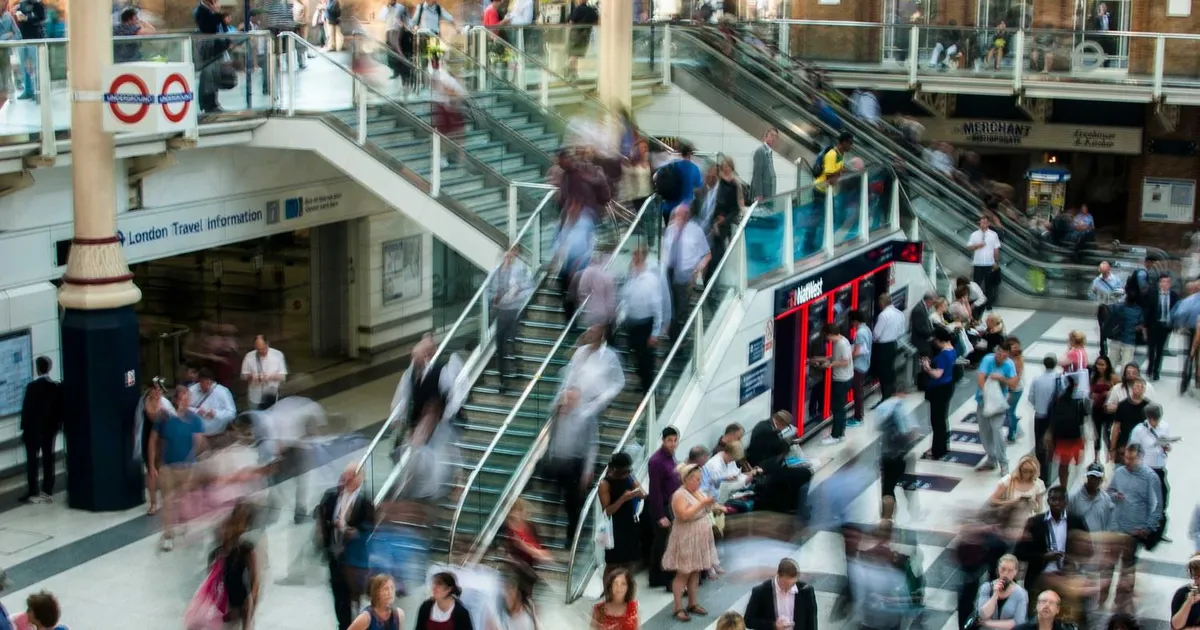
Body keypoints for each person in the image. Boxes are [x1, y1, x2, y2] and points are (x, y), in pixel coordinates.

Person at [318, 465, 378, 630]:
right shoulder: (331, 497)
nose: (347, 479)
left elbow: (370, 528)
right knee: (339, 594)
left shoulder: (365, 503)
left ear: (359, 479)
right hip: (335, 554)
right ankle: (343, 625)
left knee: (354, 595)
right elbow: (323, 518)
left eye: (352, 476)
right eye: (346, 475)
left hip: (353, 559)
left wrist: (355, 532)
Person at [1108, 443, 1163, 614]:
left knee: (1127, 565)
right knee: (1109, 563)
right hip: (1116, 527)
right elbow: (1109, 491)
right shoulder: (1119, 472)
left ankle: (1122, 600)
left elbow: (1157, 505)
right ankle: (1104, 595)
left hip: (1134, 531)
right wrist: (1114, 495)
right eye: (1126, 457)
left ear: (1140, 457)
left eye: (1131, 458)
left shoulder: (1150, 478)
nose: (1127, 461)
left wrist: (1148, 526)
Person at [151, 386, 207, 552]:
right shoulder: (164, 418)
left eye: (187, 397)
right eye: (182, 397)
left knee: (186, 499)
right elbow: (154, 440)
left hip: (187, 466)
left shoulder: (195, 420)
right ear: (176, 399)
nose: (185, 401)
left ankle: (185, 525)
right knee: (168, 501)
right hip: (168, 466)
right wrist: (153, 464)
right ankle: (168, 535)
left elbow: (199, 442)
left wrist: (194, 459)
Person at [662, 464, 718, 622]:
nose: (699, 483)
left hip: (699, 535)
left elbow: (705, 507)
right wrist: (702, 503)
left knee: (695, 570)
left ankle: (693, 603)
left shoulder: (697, 491)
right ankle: (678, 607)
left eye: (700, 479)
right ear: (686, 479)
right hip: (686, 536)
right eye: (696, 479)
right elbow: (683, 515)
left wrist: (715, 505)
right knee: (683, 572)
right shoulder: (679, 495)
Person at [545, 386, 599, 549]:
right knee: (552, 499)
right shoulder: (558, 414)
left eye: (573, 399)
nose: (569, 402)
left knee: (572, 504)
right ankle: (549, 536)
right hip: (557, 461)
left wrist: (588, 469)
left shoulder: (586, 416)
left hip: (576, 463)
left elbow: (592, 444)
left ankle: (571, 538)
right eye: (568, 398)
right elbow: (552, 436)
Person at [1015, 486, 1089, 599]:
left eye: (1060, 499)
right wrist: (1043, 557)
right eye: (1053, 499)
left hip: (1068, 577)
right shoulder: (1035, 522)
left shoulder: (1076, 522)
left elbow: (1088, 549)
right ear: (1048, 501)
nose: (1056, 503)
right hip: (1040, 576)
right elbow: (1019, 552)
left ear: (1066, 502)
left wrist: (1073, 561)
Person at [745, 410, 814, 514]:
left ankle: (795, 505)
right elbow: (778, 448)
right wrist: (788, 442)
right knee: (804, 474)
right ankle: (795, 506)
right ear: (781, 423)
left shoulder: (765, 425)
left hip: (768, 464)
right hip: (766, 468)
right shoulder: (768, 431)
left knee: (799, 473)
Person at [621, 245, 667, 394]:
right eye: (634, 255)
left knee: (646, 358)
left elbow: (657, 306)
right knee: (636, 354)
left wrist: (655, 332)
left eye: (636, 256)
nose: (634, 259)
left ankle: (648, 388)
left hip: (646, 323)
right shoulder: (632, 275)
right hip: (632, 322)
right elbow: (626, 296)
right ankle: (642, 381)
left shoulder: (650, 279)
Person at [662, 204, 711, 340]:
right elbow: (665, 250)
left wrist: (696, 272)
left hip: (686, 273)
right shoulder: (670, 230)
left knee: (681, 308)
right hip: (669, 271)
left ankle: (679, 337)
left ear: (687, 216)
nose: (678, 219)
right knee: (670, 305)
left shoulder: (696, 231)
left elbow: (707, 255)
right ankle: (674, 334)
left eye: (681, 216)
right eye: (676, 216)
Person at [490, 244, 533, 392]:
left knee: (514, 341)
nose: (509, 256)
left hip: (515, 310)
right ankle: (503, 380)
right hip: (502, 311)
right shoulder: (498, 271)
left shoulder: (520, 269)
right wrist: (494, 298)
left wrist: (517, 293)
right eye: (507, 254)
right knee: (500, 345)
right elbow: (491, 289)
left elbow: (529, 286)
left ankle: (518, 368)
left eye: (512, 254)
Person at [19, 356, 61, 504]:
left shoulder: (32, 387)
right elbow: (58, 410)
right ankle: (47, 489)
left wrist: (24, 428)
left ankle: (32, 490)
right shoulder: (55, 387)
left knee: (32, 461)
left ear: (37, 368)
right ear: (49, 368)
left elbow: (26, 410)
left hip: (33, 431)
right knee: (48, 458)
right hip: (49, 430)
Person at [212, 501, 260, 629]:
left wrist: (252, 599)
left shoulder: (246, 549)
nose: (225, 531)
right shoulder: (218, 553)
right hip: (227, 597)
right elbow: (212, 578)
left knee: (245, 622)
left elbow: (255, 578)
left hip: (242, 596)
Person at [976, 340, 1019, 476]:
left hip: (999, 403)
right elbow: (981, 377)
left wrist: (1001, 378)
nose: (1000, 357)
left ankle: (1003, 462)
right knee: (984, 431)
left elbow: (1013, 383)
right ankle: (991, 458)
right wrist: (986, 393)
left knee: (997, 431)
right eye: (998, 353)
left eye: (1003, 355)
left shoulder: (1009, 365)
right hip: (984, 400)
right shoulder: (988, 360)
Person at [598, 452, 644, 576]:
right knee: (612, 564)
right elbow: (607, 511)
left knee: (629, 561)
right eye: (624, 471)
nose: (627, 473)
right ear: (614, 469)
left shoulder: (629, 477)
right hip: (614, 527)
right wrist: (622, 499)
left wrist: (636, 492)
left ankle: (626, 590)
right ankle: (608, 593)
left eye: (628, 470)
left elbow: (643, 493)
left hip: (629, 523)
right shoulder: (605, 484)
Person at [647, 427, 680, 589]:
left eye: (675, 440)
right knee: (661, 543)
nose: (672, 444)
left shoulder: (670, 457)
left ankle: (665, 574)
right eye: (669, 440)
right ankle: (656, 576)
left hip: (672, 505)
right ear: (663, 440)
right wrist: (661, 515)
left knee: (668, 542)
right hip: (662, 506)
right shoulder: (656, 461)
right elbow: (655, 491)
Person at [743, 558, 818, 630]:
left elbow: (812, 622)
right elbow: (748, 621)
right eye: (784, 584)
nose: (788, 588)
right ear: (778, 575)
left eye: (792, 584)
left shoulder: (806, 591)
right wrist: (773, 625)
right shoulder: (761, 592)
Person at [812, 323, 855, 445]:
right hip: (846, 378)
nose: (826, 339)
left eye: (826, 336)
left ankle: (836, 435)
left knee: (837, 409)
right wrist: (821, 359)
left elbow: (845, 361)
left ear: (830, 334)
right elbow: (837, 357)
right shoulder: (843, 340)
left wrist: (830, 365)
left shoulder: (840, 344)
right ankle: (840, 433)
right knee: (840, 408)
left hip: (841, 380)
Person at [921, 329, 958, 460]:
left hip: (939, 389)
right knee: (942, 419)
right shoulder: (952, 350)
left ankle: (937, 450)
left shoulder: (944, 355)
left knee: (936, 420)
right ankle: (941, 446)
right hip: (948, 386)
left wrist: (927, 368)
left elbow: (937, 374)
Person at [1127, 403, 1171, 510]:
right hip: (1145, 469)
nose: (1156, 422)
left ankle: (1161, 516)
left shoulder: (1165, 427)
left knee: (1163, 493)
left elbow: (1169, 446)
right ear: (1149, 418)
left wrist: (1167, 447)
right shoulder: (1138, 430)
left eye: (1158, 419)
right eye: (1154, 419)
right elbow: (1131, 449)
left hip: (1159, 468)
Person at [1047, 374, 1087, 489]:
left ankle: (1064, 486)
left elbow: (1052, 416)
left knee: (1064, 464)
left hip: (1063, 437)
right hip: (1071, 437)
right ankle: (1069, 487)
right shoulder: (1078, 398)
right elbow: (1083, 417)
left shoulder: (1058, 397)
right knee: (1073, 464)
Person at [1026, 354, 1060, 485]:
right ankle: (1049, 472)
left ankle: (1042, 476)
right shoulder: (1059, 379)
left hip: (1040, 416)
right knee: (1051, 446)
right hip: (1054, 417)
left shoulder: (1037, 379)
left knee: (1040, 448)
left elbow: (1030, 397)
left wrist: (1038, 405)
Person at [973, 554, 1029, 629]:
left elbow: (1018, 622)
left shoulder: (1021, 594)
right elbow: (983, 615)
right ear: (997, 570)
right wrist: (995, 595)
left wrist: (989, 624)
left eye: (1010, 570)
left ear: (1015, 572)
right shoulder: (986, 587)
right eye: (1003, 569)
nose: (1005, 573)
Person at [872, 293, 906, 404]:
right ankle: (891, 391)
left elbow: (876, 334)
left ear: (882, 303)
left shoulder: (883, 315)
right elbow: (902, 331)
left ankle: (885, 395)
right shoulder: (899, 313)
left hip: (883, 347)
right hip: (893, 344)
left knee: (883, 371)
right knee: (890, 368)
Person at [1109, 376, 1150, 466]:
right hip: (1124, 445)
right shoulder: (1123, 405)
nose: (1138, 389)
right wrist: (1112, 448)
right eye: (1136, 386)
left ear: (1144, 389)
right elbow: (1116, 427)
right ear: (1132, 388)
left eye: (1141, 387)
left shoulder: (1148, 406)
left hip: (1141, 448)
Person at [241, 335, 287, 410]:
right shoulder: (249, 356)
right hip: (255, 395)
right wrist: (253, 377)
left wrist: (269, 377)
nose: (261, 351)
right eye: (258, 349)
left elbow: (283, 377)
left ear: (267, 344)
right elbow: (243, 376)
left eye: (263, 349)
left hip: (271, 395)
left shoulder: (278, 355)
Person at [1148, 275, 1179, 382]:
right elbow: (1148, 310)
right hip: (1153, 325)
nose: (1165, 283)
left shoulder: (1174, 296)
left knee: (1160, 349)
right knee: (1151, 348)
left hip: (1165, 326)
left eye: (1167, 281)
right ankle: (1151, 366)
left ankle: (1156, 371)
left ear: (1170, 284)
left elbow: (1176, 311)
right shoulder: (1153, 294)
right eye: (1163, 281)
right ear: (1159, 283)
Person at [967, 215, 1002, 310]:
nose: (983, 224)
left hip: (989, 264)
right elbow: (969, 247)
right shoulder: (974, 234)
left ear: (988, 224)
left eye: (985, 222)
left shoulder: (993, 235)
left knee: (989, 285)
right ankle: (976, 303)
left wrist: (996, 262)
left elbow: (996, 249)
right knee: (976, 285)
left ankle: (988, 304)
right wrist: (977, 246)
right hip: (977, 263)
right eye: (981, 222)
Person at [188, 367, 237, 434]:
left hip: (214, 426)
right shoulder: (192, 390)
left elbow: (232, 413)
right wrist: (196, 411)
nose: (206, 386)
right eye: (202, 382)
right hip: (195, 424)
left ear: (211, 381)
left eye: (208, 383)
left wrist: (215, 413)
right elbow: (183, 407)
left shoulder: (222, 391)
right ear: (199, 381)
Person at [1069, 463, 1114, 533]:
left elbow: (1109, 523)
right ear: (1087, 477)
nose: (1094, 480)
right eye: (1092, 477)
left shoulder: (1106, 500)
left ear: (1101, 480)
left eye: (1097, 478)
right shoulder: (1074, 497)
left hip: (1099, 541)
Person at [1092, 262, 1123, 358]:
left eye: (1105, 272)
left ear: (1109, 270)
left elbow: (1121, 291)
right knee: (1102, 329)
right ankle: (1103, 351)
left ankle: (1118, 350)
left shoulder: (1116, 279)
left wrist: (1114, 294)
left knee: (1116, 329)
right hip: (1103, 307)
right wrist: (1095, 292)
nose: (1103, 274)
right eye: (1102, 272)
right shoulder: (1097, 280)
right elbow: (1092, 292)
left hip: (1113, 307)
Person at [1089, 356, 1118, 461]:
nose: (1100, 367)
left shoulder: (1112, 378)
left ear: (1107, 366)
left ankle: (1109, 456)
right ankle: (1096, 459)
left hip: (1108, 410)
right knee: (1096, 434)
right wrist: (1093, 395)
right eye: (1098, 364)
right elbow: (1089, 392)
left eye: (1102, 365)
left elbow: (1119, 390)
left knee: (1108, 433)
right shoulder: (1094, 377)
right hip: (1096, 409)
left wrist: (1109, 393)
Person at [1104, 295, 1144, 370]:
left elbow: (1107, 311)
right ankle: (1124, 380)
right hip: (1129, 339)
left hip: (1116, 338)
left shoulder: (1116, 307)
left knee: (1112, 362)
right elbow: (1140, 325)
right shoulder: (1138, 310)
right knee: (1126, 365)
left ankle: (1110, 379)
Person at [850, 310, 873, 426]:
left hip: (858, 366)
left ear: (855, 321)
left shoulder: (859, 333)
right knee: (859, 391)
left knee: (857, 392)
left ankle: (858, 417)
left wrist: (848, 356)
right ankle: (859, 415)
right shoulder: (867, 329)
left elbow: (857, 352)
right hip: (865, 364)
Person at [1171, 554, 1200, 630]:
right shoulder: (1183, 593)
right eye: (1196, 576)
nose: (1197, 581)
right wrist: (1188, 603)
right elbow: (1176, 626)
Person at [750, 127, 777, 203]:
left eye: (776, 137)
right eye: (772, 135)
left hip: (768, 194)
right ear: (765, 137)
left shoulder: (768, 152)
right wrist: (759, 194)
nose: (774, 138)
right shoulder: (760, 151)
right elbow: (757, 174)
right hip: (762, 196)